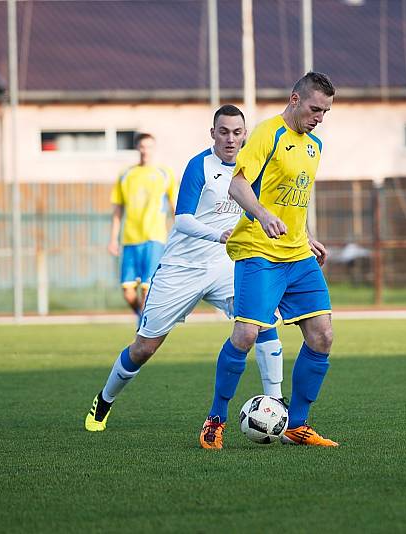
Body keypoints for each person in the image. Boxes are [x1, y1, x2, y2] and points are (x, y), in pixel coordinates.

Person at [85, 105, 284, 432]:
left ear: (245, 134)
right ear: (213, 134)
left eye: (237, 132)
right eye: (224, 132)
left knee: (260, 320)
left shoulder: (255, 167)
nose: (230, 139)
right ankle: (105, 399)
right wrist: (218, 234)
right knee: (144, 347)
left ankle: (276, 403)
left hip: (225, 266)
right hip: (182, 267)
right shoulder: (199, 165)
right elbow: (183, 219)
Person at [198, 72, 338, 449]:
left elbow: (294, 199)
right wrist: (261, 214)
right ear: (294, 100)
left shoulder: (314, 147)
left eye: (325, 111)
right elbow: (238, 184)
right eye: (314, 109)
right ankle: (215, 419)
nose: (319, 117)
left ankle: (297, 425)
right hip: (259, 251)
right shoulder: (266, 133)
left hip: (296, 254)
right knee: (245, 335)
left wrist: (306, 236)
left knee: (322, 335)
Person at [108, 133, 177, 323]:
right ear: (137, 148)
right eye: (142, 146)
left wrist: (179, 234)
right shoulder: (126, 174)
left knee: (148, 289)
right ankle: (143, 319)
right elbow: (117, 210)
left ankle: (143, 330)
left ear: (154, 149)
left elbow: (175, 207)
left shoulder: (164, 174)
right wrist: (113, 239)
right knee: (128, 291)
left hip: (154, 238)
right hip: (130, 239)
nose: (145, 150)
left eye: (149, 146)